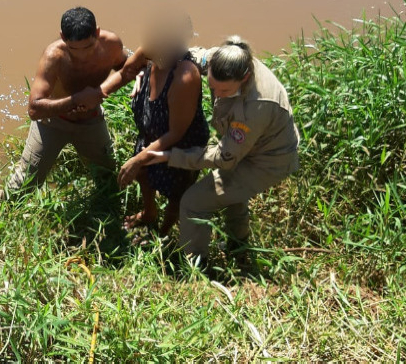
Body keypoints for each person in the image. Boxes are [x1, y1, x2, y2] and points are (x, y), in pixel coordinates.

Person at [119, 36, 300, 267]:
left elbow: (224, 158)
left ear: (244, 78)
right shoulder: (218, 58)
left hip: (267, 159)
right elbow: (186, 54)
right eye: (212, 86)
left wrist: (170, 156)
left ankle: (195, 266)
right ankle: (238, 248)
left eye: (223, 90)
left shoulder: (254, 108)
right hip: (251, 145)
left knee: (194, 202)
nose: (216, 94)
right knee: (234, 196)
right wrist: (147, 71)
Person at [100, 13, 209, 235]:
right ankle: (149, 213)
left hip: (178, 143)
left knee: (176, 194)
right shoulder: (150, 49)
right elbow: (126, 72)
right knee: (143, 175)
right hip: (151, 131)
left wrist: (138, 160)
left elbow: (176, 133)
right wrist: (99, 94)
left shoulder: (185, 75)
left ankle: (163, 232)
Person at [3, 7, 128, 195]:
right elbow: (34, 109)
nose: (82, 55)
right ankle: (1, 213)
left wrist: (103, 92)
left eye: (88, 47)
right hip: (53, 122)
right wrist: (77, 100)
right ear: (62, 37)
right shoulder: (53, 56)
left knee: (107, 178)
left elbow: (125, 68)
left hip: (91, 120)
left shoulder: (112, 45)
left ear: (97, 33)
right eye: (73, 48)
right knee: (23, 183)